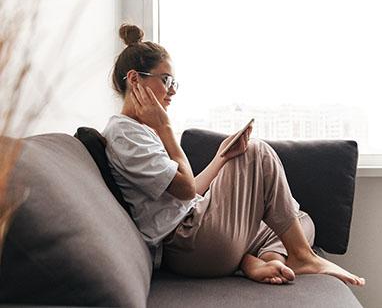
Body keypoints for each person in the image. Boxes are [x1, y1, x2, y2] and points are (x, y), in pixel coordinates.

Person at [102, 23, 365, 286]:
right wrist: (166, 128)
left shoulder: (142, 130)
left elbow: (189, 191)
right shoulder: (125, 133)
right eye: (166, 80)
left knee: (298, 219)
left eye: (174, 83)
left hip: (198, 232)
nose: (172, 90)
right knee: (257, 151)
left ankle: (263, 260)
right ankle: (301, 255)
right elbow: (183, 189)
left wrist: (221, 157)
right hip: (186, 244)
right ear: (135, 79)